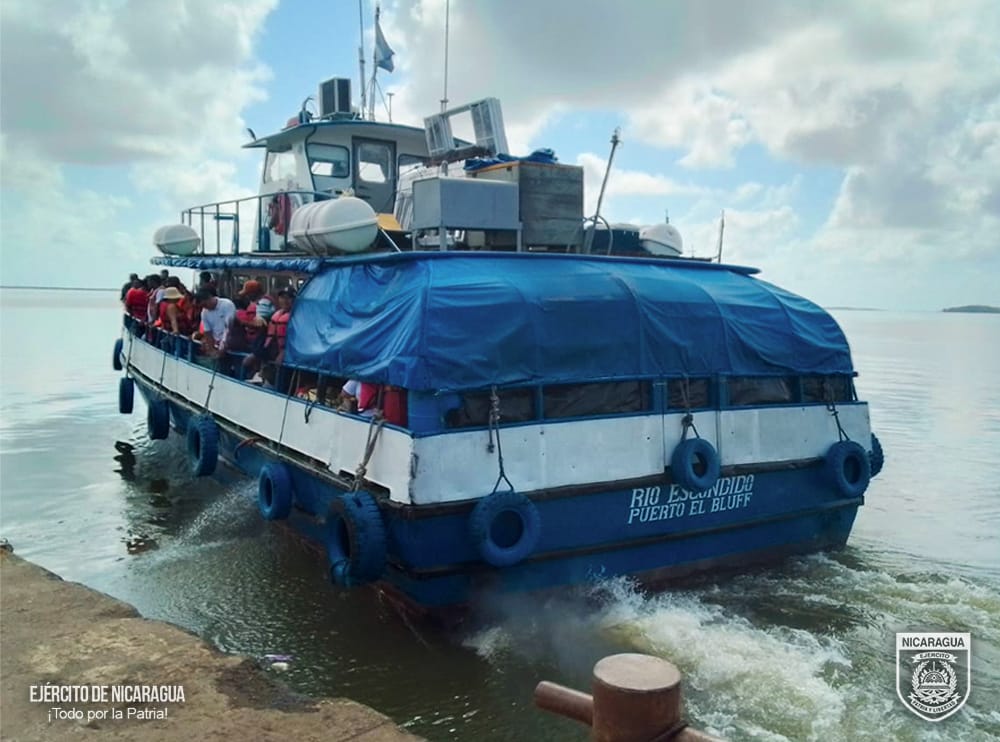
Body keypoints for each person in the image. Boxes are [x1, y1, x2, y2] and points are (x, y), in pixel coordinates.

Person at [194, 287, 236, 358]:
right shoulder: (204, 312)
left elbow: (228, 328)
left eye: (205, 305)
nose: (205, 307)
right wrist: (211, 350)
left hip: (231, 340)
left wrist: (222, 345)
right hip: (217, 342)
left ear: (209, 298)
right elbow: (208, 332)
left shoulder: (227, 305)